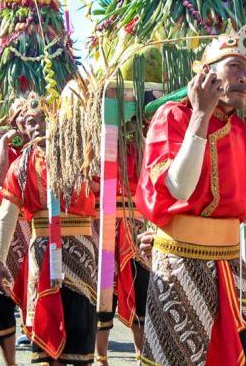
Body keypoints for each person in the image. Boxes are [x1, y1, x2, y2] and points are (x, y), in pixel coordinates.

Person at [134, 24, 246, 366]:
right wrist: (201, 114)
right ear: (206, 73)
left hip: (233, 269)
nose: (245, 77)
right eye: (234, 66)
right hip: (181, 266)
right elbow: (179, 187)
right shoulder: (172, 117)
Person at [0, 92, 99, 365]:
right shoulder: (20, 166)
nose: (37, 126)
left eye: (42, 119)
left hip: (81, 252)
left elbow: (102, 185)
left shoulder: (81, 154)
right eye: (30, 122)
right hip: (42, 254)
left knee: (80, 337)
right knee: (45, 335)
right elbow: (8, 215)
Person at [0, 102, 33, 366]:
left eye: (32, 118)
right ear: (13, 123)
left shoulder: (43, 148)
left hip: (34, 226)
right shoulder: (2, 150)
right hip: (6, 226)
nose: (27, 123)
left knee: (36, 291)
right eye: (21, 118)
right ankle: (10, 362)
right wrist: (2, 146)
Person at [94, 135, 149, 364]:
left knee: (141, 294)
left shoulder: (144, 139)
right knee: (103, 297)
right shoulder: (95, 143)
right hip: (104, 229)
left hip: (135, 229)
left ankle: (142, 357)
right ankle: (101, 358)